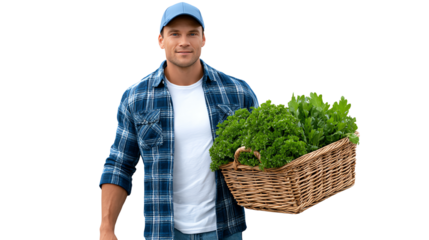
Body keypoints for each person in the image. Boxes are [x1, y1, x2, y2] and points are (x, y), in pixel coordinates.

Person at [98, 1, 259, 239]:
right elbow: (120, 164)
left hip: (225, 229)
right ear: (160, 41)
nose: (184, 41)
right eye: (175, 33)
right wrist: (106, 228)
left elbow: (261, 154)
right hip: (163, 231)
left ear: (203, 39)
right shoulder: (136, 96)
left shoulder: (237, 91)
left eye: (192, 33)